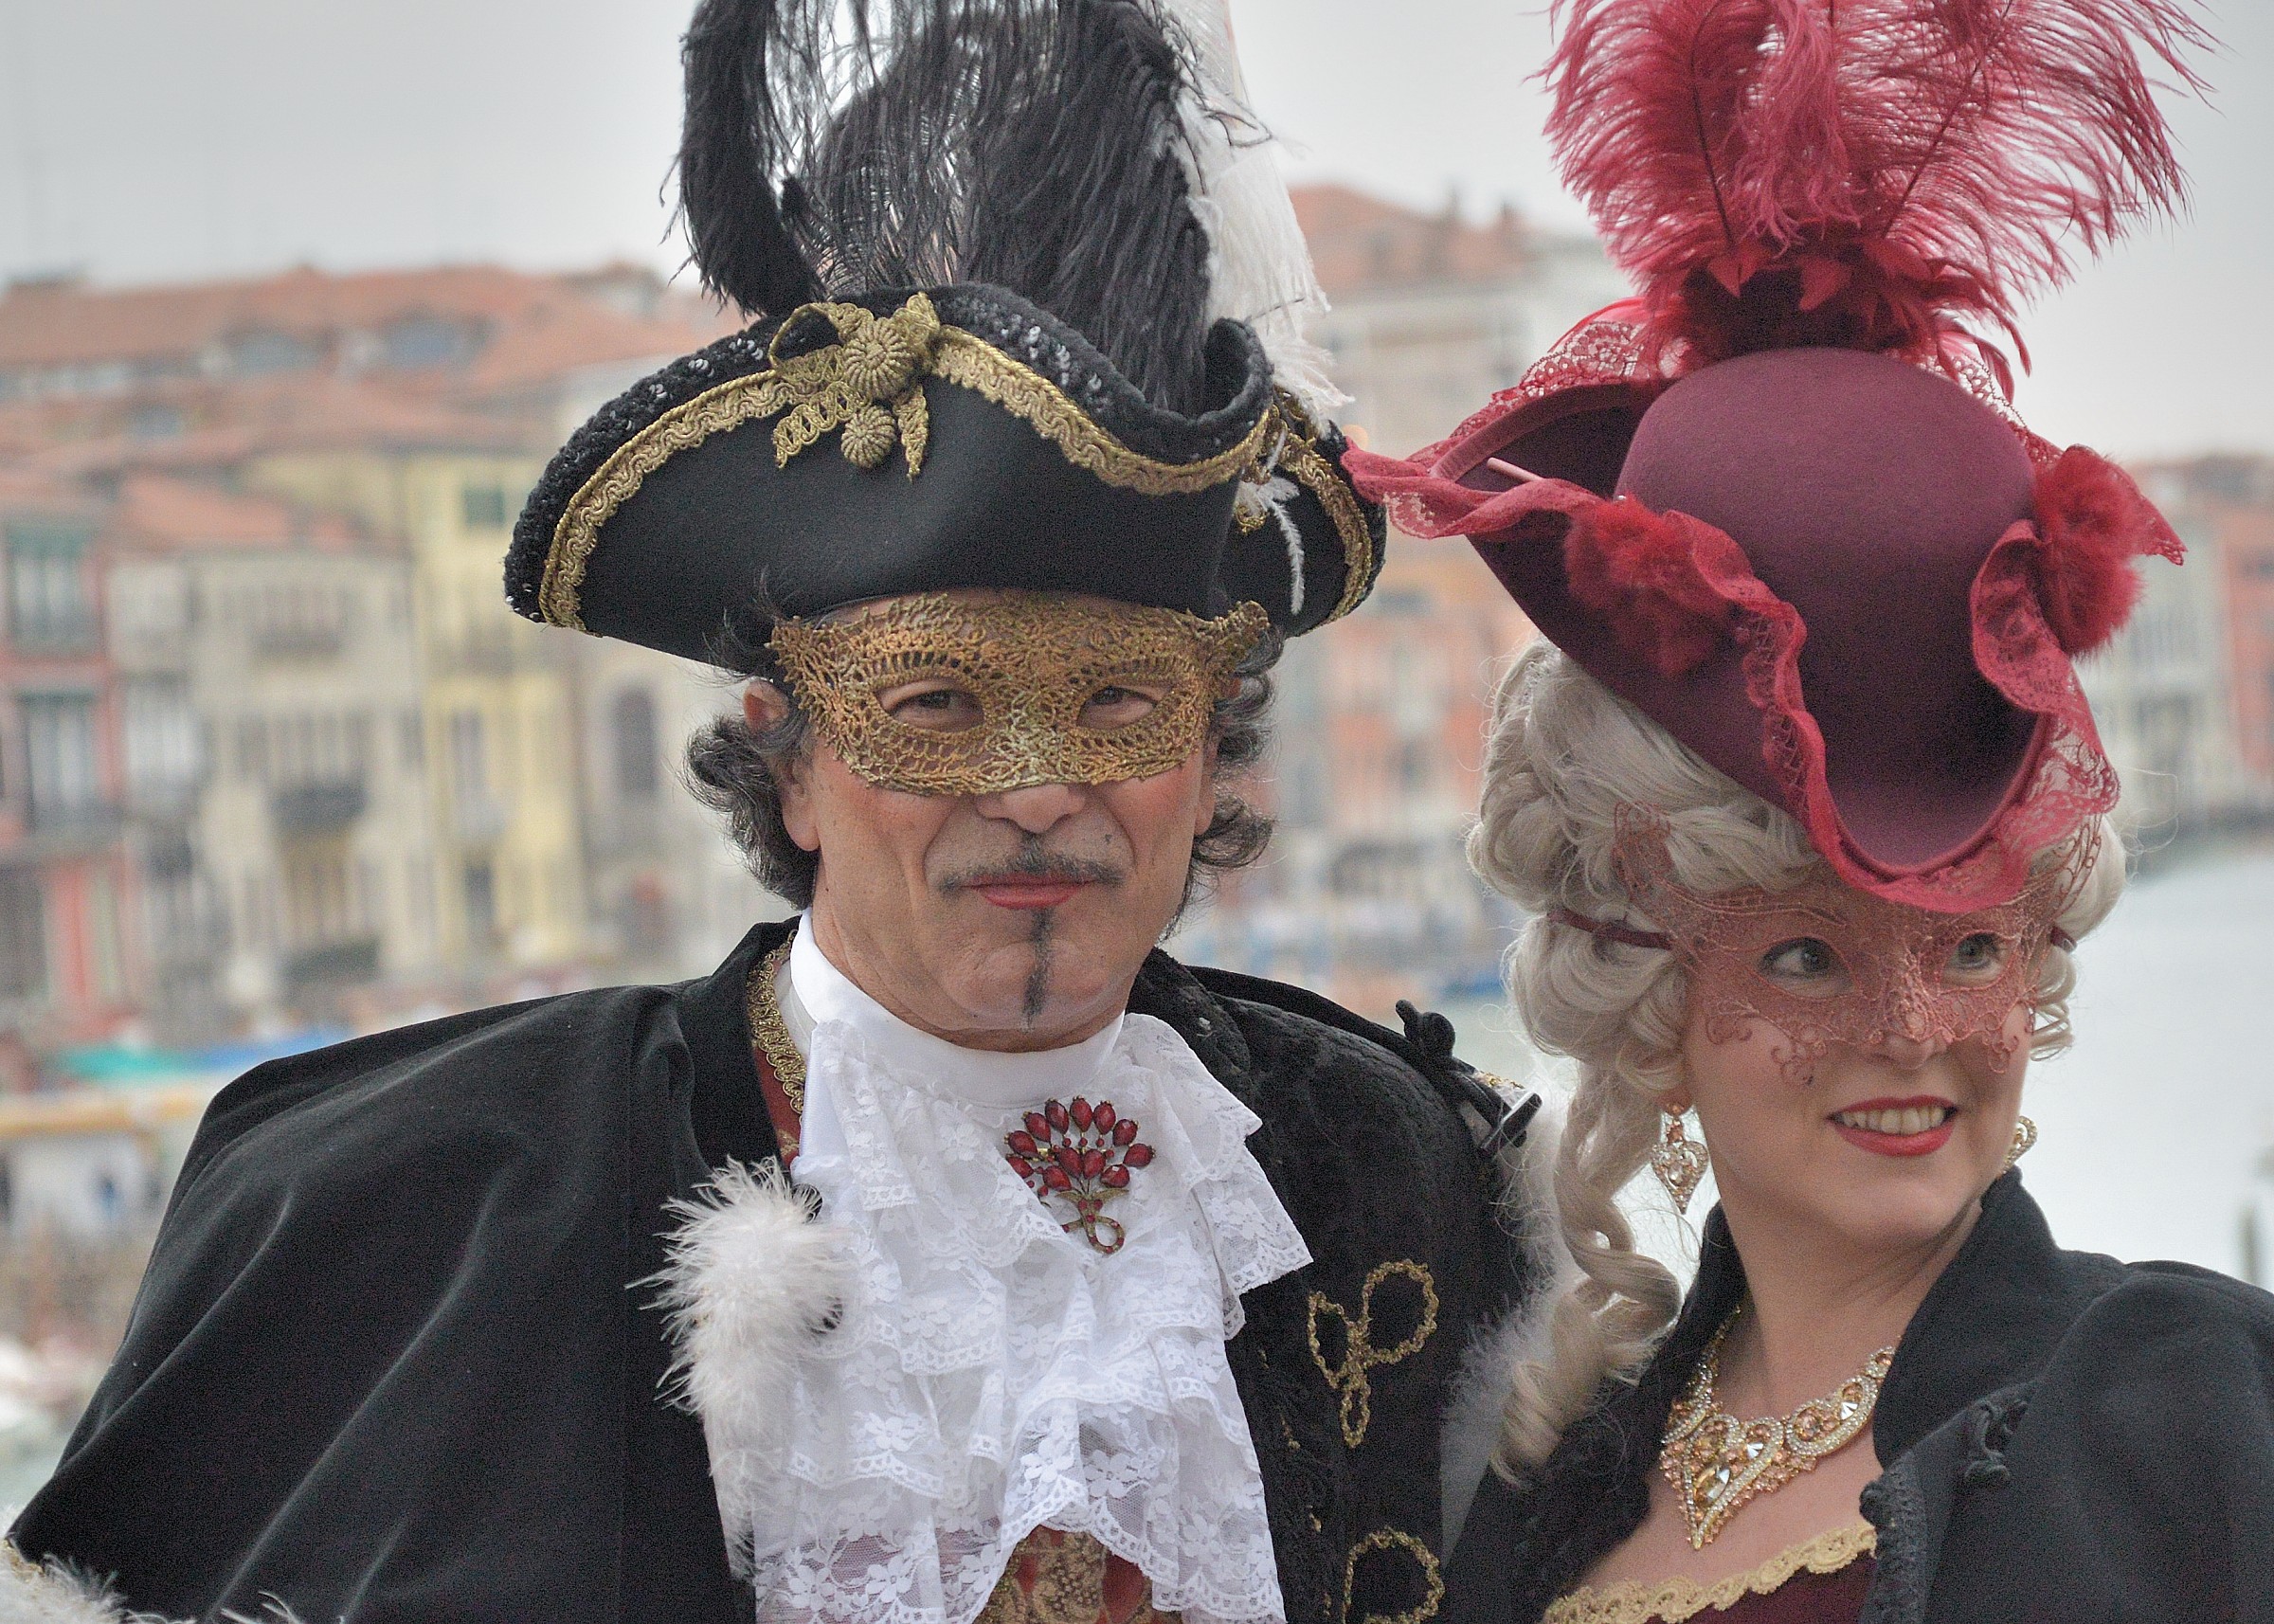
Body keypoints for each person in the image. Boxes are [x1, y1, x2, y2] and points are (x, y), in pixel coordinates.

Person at [4, 4, 1539, 1620]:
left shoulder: (1387, 1162)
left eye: (1117, 708)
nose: (1033, 791)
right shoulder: (450, 1198)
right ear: (788, 761)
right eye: (933, 704)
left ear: (1212, 761)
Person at [1345, 1, 2274, 1620]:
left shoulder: (2182, 1411)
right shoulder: (1550, 1485)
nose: (1914, 1030)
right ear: (1648, 998)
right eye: (1802, 958)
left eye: (1976, 945)